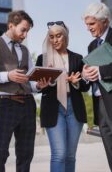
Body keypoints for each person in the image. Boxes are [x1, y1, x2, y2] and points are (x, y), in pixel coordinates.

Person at [0, 10, 42, 172]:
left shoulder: (25, 51)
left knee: (26, 154)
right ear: (11, 26)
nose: (25, 35)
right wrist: (8, 76)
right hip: (6, 104)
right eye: (23, 30)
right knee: (0, 152)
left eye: (28, 31)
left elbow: (29, 80)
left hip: (28, 104)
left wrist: (39, 86)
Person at [36, 21, 89, 172]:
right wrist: (47, 83)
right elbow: (40, 87)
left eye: (58, 36)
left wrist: (76, 82)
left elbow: (86, 86)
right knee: (59, 154)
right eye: (51, 37)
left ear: (65, 37)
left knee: (70, 156)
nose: (55, 40)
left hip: (74, 108)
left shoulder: (78, 58)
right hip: (53, 109)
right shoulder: (43, 59)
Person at [82, 2, 112, 171]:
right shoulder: (92, 46)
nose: (88, 28)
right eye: (87, 25)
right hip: (100, 104)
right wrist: (86, 76)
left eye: (92, 24)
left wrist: (100, 72)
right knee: (109, 148)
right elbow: (91, 73)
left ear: (105, 21)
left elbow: (100, 71)